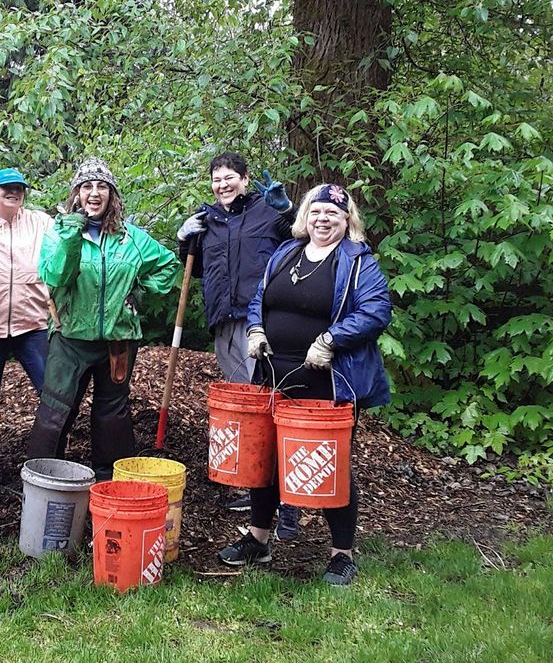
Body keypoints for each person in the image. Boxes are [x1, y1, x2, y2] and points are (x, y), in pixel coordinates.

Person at [217, 183, 392, 585]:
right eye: (316, 212)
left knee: (331, 464)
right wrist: (256, 329)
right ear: (305, 217)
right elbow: (261, 296)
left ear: (347, 220)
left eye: (333, 213)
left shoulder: (357, 261)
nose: (323, 219)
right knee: (266, 459)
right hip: (273, 372)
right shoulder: (286, 252)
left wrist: (331, 340)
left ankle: (341, 554)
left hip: (328, 378)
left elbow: (376, 311)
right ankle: (259, 539)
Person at [27, 157, 179, 478]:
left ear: (112, 194)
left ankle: (110, 481)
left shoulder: (131, 237)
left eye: (101, 186)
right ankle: (44, 478)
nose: (94, 193)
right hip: (70, 338)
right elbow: (56, 276)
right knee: (56, 410)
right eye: (86, 186)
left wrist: (139, 288)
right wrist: (72, 235)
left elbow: (168, 265)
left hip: (118, 340)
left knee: (112, 413)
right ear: (76, 194)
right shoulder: (60, 233)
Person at [175, 153, 299, 532]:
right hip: (223, 321)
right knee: (245, 407)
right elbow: (195, 268)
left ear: (245, 179)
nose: (223, 184)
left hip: (260, 321)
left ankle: (289, 501)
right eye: (217, 179)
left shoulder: (267, 212)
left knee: (271, 401)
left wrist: (289, 210)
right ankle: (256, 484)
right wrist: (185, 239)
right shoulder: (208, 219)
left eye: (230, 177)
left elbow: (304, 239)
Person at [0, 167, 53, 463]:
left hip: (32, 323)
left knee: (50, 391)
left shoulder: (39, 222)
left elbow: (66, 240)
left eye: (18, 188)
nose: (13, 192)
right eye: (6, 188)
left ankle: (47, 455)